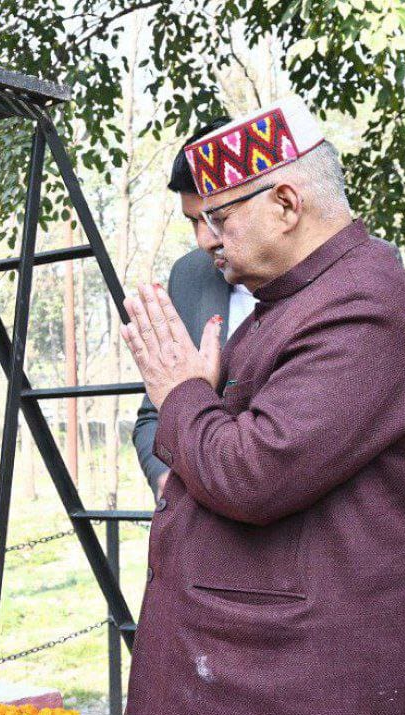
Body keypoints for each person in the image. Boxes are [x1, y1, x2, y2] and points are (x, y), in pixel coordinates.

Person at [118, 95, 405, 715]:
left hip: (304, 708)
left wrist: (182, 394)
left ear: (285, 202)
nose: (204, 242)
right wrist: (198, 429)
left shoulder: (364, 305)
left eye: (216, 218)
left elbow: (254, 471)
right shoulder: (297, 301)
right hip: (254, 697)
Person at [133, 116, 255, 500]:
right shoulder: (189, 276)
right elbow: (153, 414)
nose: (205, 240)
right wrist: (165, 478)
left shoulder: (347, 281)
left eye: (216, 219)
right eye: (193, 222)